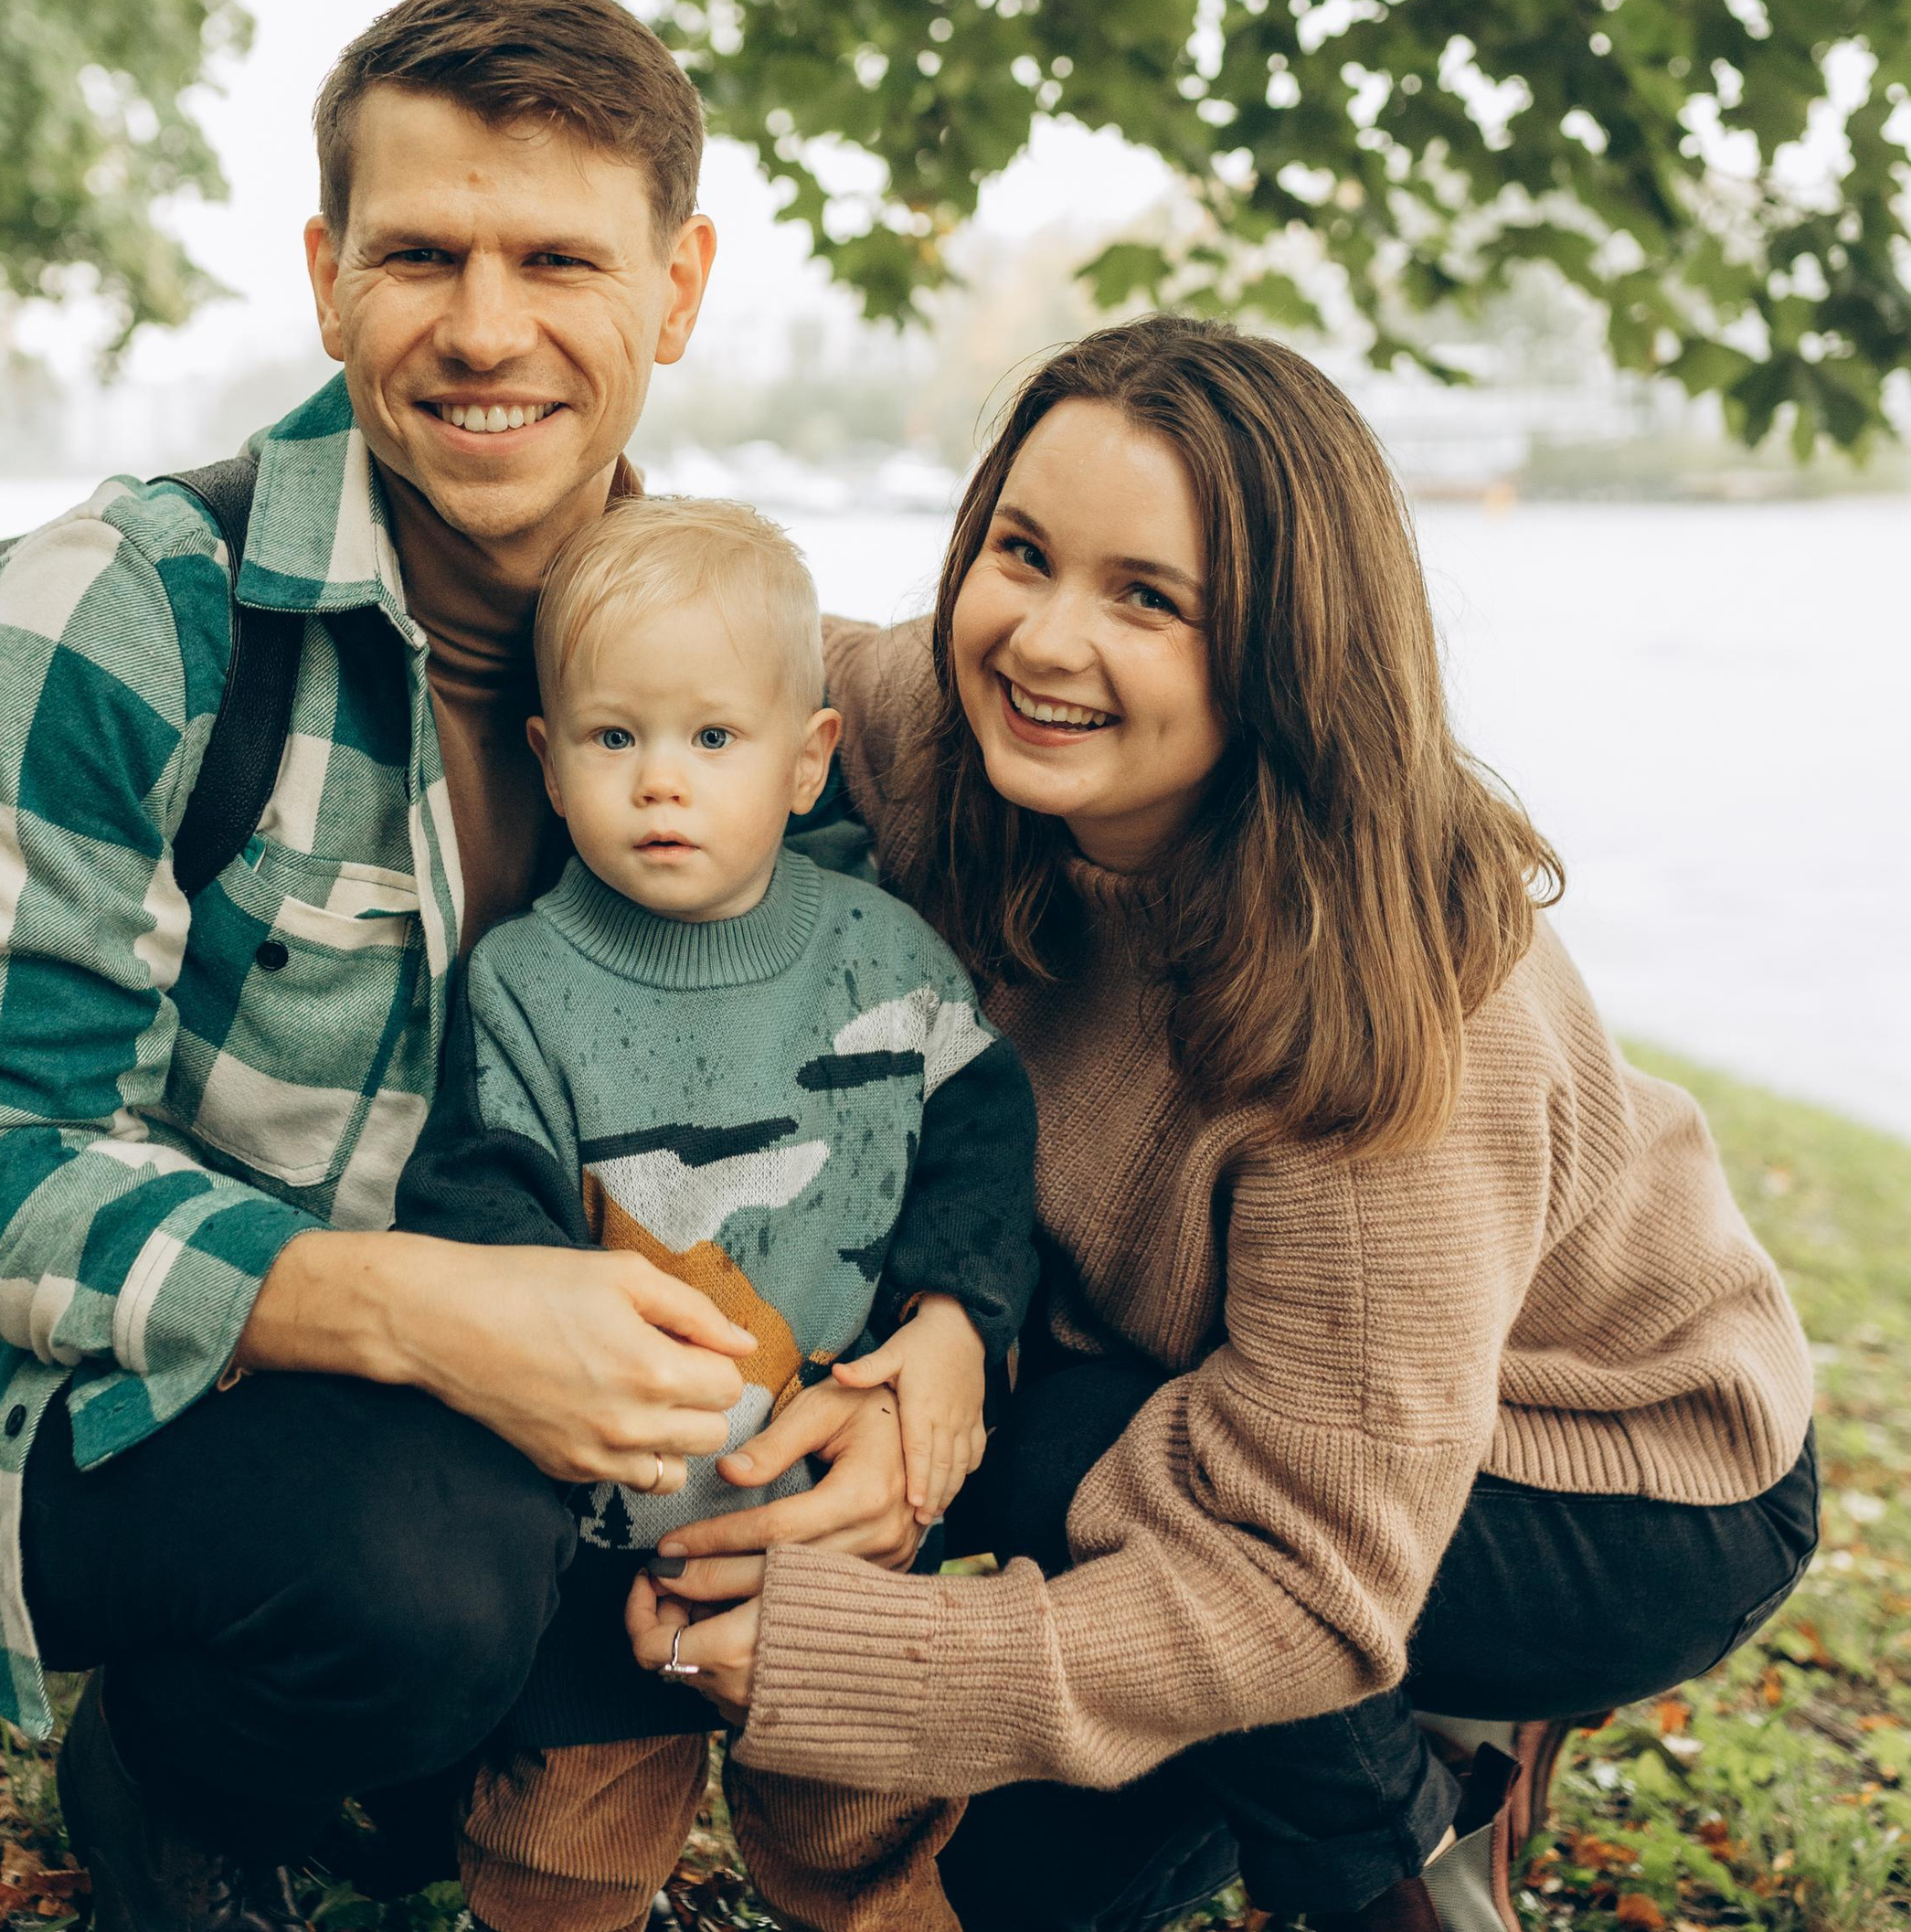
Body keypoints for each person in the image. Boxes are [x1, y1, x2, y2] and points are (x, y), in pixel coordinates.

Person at [0, 0, 925, 1932]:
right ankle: (165, 1772)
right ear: (326, 277)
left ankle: (408, 1734)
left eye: (558, 256)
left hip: (506, 1393)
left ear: (677, 285)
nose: (486, 329)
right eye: (420, 254)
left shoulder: (741, 677)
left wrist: (932, 1362)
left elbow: (849, 1069)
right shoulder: (121, 612)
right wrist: (425, 1310)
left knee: (529, 1581)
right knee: (421, 1580)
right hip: (60, 1387)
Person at [628, 317, 1821, 1932]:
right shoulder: (935, 726)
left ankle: (1407, 1865)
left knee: (1072, 1454)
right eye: (1022, 554)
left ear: (1281, 648)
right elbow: (697, 639)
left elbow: (1297, 1583)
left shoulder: (1393, 1008)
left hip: (1615, 1475)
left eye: (1150, 598)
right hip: (1219, 1386)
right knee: (1017, 1899)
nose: (1047, 640)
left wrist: (866, 1668)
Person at [395, 496, 1038, 1932]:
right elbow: (476, 1205)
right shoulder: (523, 987)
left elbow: (983, 1151)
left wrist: (955, 1318)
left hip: (834, 1540)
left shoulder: (883, 955)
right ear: (550, 767)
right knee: (562, 1852)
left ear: (809, 761)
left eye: (713, 739)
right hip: (599, 1543)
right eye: (616, 740)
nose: (661, 785)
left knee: (862, 1843)